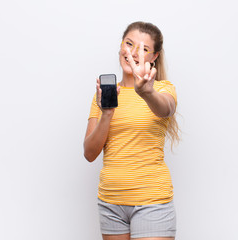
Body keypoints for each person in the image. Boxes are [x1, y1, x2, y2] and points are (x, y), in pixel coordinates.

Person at [84, 21, 179, 240]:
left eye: (144, 49)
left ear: (154, 57)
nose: (134, 53)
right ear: (121, 46)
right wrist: (106, 112)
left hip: (152, 201)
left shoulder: (163, 89)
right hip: (110, 202)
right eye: (129, 44)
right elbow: (89, 153)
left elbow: (165, 109)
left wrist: (146, 91)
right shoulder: (103, 95)